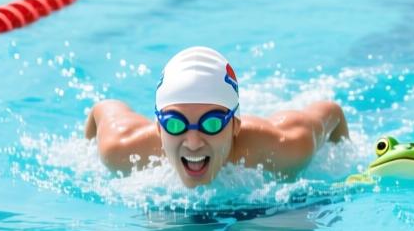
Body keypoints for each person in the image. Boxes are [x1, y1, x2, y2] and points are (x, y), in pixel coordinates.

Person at [86, 46, 349, 188]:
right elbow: (101, 110)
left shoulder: (287, 146)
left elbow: (333, 113)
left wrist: (342, 168)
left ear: (235, 125)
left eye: (211, 123)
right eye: (175, 124)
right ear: (158, 128)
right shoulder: (120, 149)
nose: (193, 142)